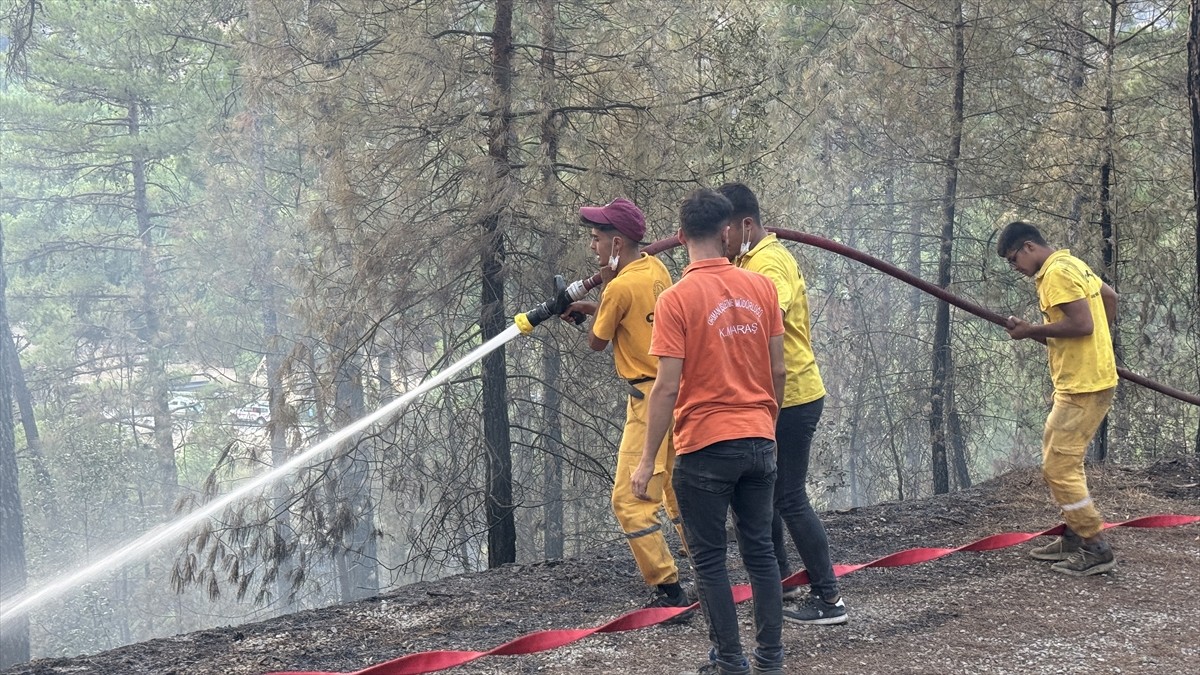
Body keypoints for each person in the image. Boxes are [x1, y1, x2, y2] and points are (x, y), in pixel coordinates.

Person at [632, 188, 787, 675]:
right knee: (760, 552)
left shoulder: (675, 300)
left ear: (680, 239)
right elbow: (779, 371)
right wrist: (768, 423)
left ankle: (730, 662)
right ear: (727, 233)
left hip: (704, 448)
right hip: (760, 438)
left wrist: (645, 461)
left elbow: (665, 388)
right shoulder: (761, 288)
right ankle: (770, 660)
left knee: (711, 561)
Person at [717, 182, 846, 625]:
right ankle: (781, 584)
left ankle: (829, 599)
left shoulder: (769, 261)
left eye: (726, 231)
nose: (722, 240)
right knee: (766, 500)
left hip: (791, 397)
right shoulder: (749, 258)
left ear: (746, 224)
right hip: (775, 396)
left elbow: (757, 314)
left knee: (789, 497)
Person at [563, 197, 692, 613]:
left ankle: (668, 591)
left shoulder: (618, 286)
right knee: (675, 490)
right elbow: (635, 316)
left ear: (617, 243)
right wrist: (592, 303)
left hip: (650, 401)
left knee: (630, 502)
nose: (592, 245)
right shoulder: (656, 268)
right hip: (680, 392)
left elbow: (598, 341)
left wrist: (592, 306)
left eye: (597, 238)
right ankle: (709, 571)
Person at [997, 220, 1119, 576]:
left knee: (1059, 467)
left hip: (1083, 386)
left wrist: (1032, 330)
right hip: (1087, 378)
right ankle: (1074, 533)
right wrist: (1099, 348)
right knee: (1059, 458)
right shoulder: (1072, 264)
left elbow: (1082, 325)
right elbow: (1109, 298)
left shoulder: (1055, 274)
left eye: (1012, 259)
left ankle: (1095, 547)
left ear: (1029, 247)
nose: (1015, 268)